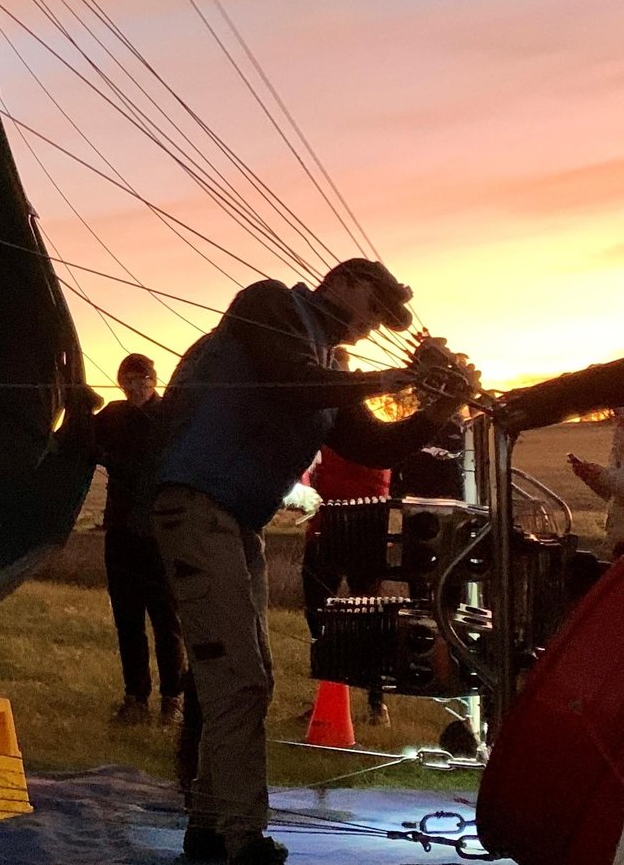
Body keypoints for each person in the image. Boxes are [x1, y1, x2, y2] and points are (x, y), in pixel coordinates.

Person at [149, 258, 475, 865]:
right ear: (344, 283)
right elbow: (291, 381)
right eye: (374, 308)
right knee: (239, 680)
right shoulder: (269, 303)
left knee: (246, 680)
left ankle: (209, 827)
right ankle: (242, 841)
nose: (374, 324)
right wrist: (403, 377)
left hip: (235, 521)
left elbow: (370, 443)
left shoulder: (333, 370)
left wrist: (433, 411)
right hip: (196, 504)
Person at [93, 354, 186, 725]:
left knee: (166, 621)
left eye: (141, 379)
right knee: (127, 619)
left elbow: (163, 465)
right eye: (127, 380)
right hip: (120, 532)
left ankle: (172, 699)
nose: (134, 387)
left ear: (154, 379)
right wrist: (82, 405)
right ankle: (135, 698)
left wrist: (112, 459)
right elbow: (80, 438)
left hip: (159, 535)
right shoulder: (113, 416)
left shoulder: (170, 417)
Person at [301, 442, 392, 727]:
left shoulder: (364, 428)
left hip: (352, 525)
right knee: (325, 614)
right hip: (338, 524)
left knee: (359, 615)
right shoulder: (366, 427)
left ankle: (372, 702)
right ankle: (340, 699)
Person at [568, 408, 624, 556]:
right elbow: (614, 496)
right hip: (617, 541)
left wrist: (600, 474)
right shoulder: (619, 448)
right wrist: (590, 477)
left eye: (619, 415)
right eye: (615, 414)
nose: (616, 421)